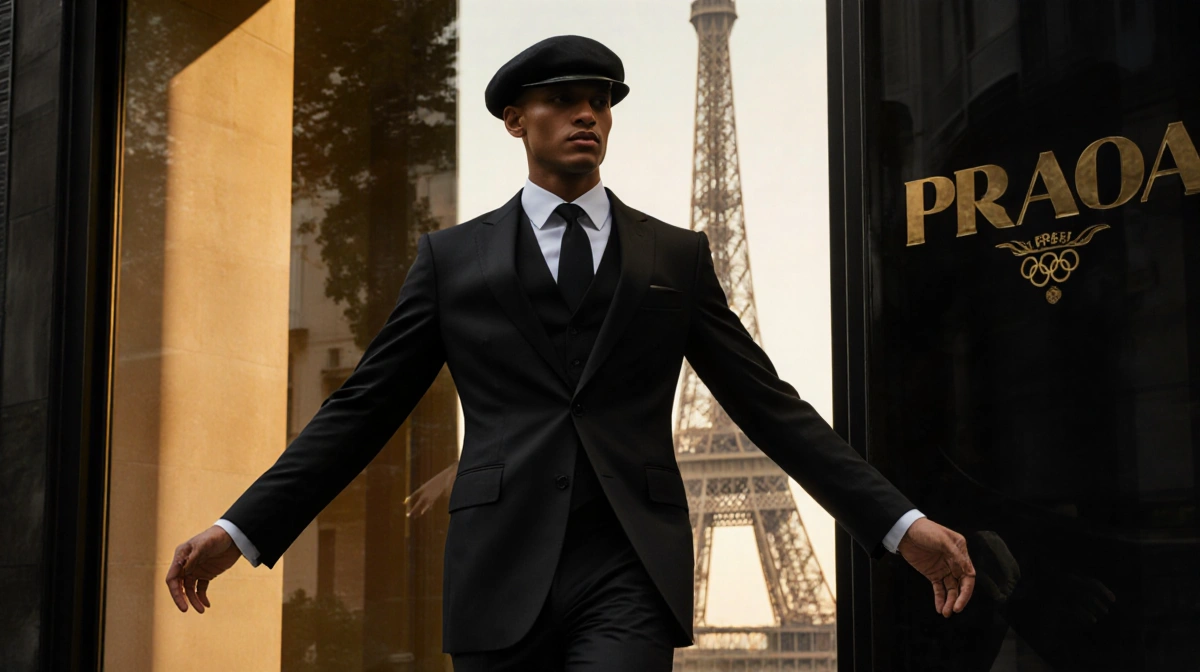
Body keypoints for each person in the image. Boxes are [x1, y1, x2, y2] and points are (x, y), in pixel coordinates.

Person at [165, 34, 976, 670]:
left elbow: (769, 408)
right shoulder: (451, 261)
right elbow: (361, 407)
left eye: (600, 102)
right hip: (497, 567)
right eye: (562, 100)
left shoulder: (675, 256)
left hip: (629, 567)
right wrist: (241, 528)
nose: (588, 115)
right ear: (516, 120)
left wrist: (898, 523)